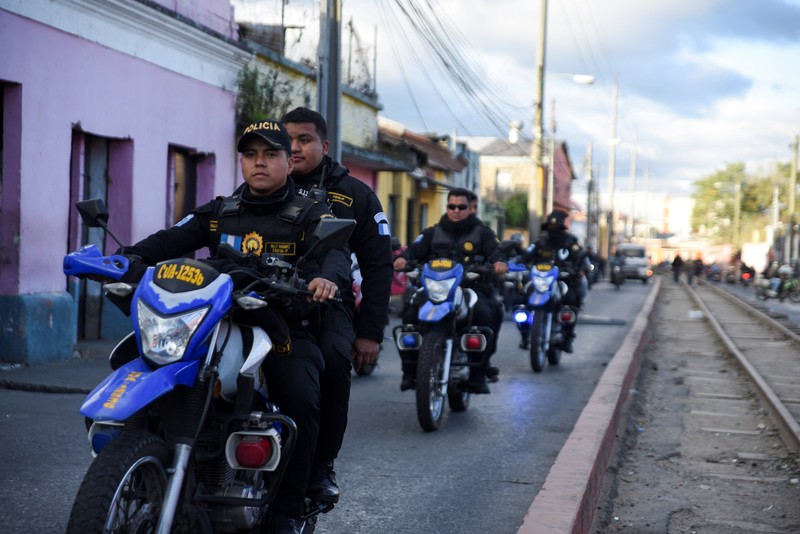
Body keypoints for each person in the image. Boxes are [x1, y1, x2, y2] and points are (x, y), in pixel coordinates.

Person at [118, 119, 350, 534]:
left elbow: (335, 254)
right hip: (209, 325)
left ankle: (286, 513)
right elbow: (167, 240)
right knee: (142, 365)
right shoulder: (220, 210)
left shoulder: (312, 213)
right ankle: (132, 467)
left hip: (279, 326)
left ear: (287, 161)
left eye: (271, 154)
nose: (259, 163)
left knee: (299, 396)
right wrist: (123, 260)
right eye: (250, 154)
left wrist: (325, 278)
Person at [281, 107, 393, 504]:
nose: (293, 148)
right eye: (287, 139)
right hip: (266, 297)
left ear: (324, 146)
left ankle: (320, 465)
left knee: (331, 358)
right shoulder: (264, 187)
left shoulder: (356, 195)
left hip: (331, 306)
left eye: (304, 140)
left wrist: (369, 334)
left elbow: (380, 267)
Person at [393, 188, 508, 394]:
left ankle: (478, 373)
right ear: (447, 207)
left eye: (461, 207)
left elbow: (495, 251)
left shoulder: (483, 233)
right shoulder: (431, 232)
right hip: (434, 288)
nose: (456, 210)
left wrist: (499, 262)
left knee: (487, 312)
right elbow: (413, 250)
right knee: (410, 316)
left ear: (470, 209)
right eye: (451, 206)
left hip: (470, 287)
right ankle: (409, 372)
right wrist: (402, 259)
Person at [520, 209, 588, 353]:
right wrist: (516, 266)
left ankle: (568, 337)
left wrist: (579, 269)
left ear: (562, 227)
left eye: (556, 227)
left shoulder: (571, 242)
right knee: (520, 301)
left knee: (573, 299)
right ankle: (525, 334)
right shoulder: (540, 242)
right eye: (550, 227)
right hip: (540, 283)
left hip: (563, 281)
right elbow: (524, 258)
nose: (553, 230)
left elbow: (581, 258)